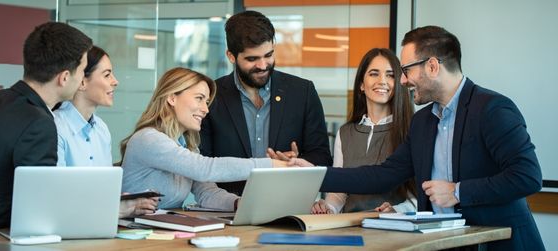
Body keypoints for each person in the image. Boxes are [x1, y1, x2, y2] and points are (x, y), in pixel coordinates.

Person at [296, 26, 544, 250]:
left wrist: (458, 192)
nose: (402, 81)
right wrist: (313, 175)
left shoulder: (492, 109)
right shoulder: (423, 121)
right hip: (444, 243)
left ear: (433, 66)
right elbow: (383, 175)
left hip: (499, 244)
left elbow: (527, 177)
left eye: (405, 71)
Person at [0, 22, 93, 230]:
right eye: (82, 71)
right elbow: (38, 209)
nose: (82, 80)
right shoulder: (38, 123)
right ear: (64, 77)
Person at [200, 10, 332, 195]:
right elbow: (202, 163)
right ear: (231, 56)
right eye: (252, 59)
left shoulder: (302, 92)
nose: (263, 65)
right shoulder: (211, 95)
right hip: (227, 209)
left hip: (289, 204)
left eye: (268, 55)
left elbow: (322, 156)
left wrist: (297, 162)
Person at [120, 67, 287, 211]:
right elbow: (205, 168)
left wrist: (238, 203)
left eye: (206, 102)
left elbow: (207, 192)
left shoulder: (186, 147)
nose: (206, 109)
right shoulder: (149, 139)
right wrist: (271, 165)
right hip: (132, 235)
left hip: (161, 233)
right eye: (199, 98)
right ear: (172, 98)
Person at [53, 46, 158, 217]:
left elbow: (101, 193)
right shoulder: (55, 127)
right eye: (107, 75)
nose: (115, 81)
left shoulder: (101, 129)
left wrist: (126, 202)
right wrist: (118, 209)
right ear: (82, 82)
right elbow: (57, 199)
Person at [311, 48, 416, 214]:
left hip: (395, 229)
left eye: (390, 75)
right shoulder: (345, 133)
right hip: (349, 229)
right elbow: (339, 192)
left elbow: (418, 195)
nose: (382, 81)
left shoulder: (412, 129)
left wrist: (397, 210)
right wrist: (328, 208)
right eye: (374, 73)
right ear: (361, 84)